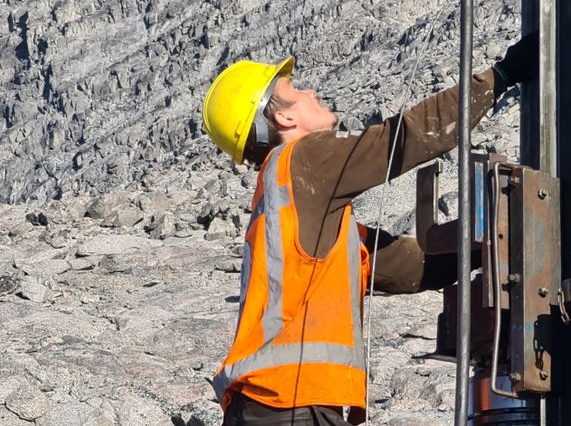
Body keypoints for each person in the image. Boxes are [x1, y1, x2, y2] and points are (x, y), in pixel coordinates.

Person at [201, 33, 538, 426]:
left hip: (274, 405)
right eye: (294, 88)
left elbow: (404, 265)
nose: (310, 90)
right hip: (288, 405)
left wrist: (495, 242)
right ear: (284, 117)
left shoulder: (295, 204)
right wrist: (500, 76)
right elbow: (400, 141)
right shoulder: (302, 160)